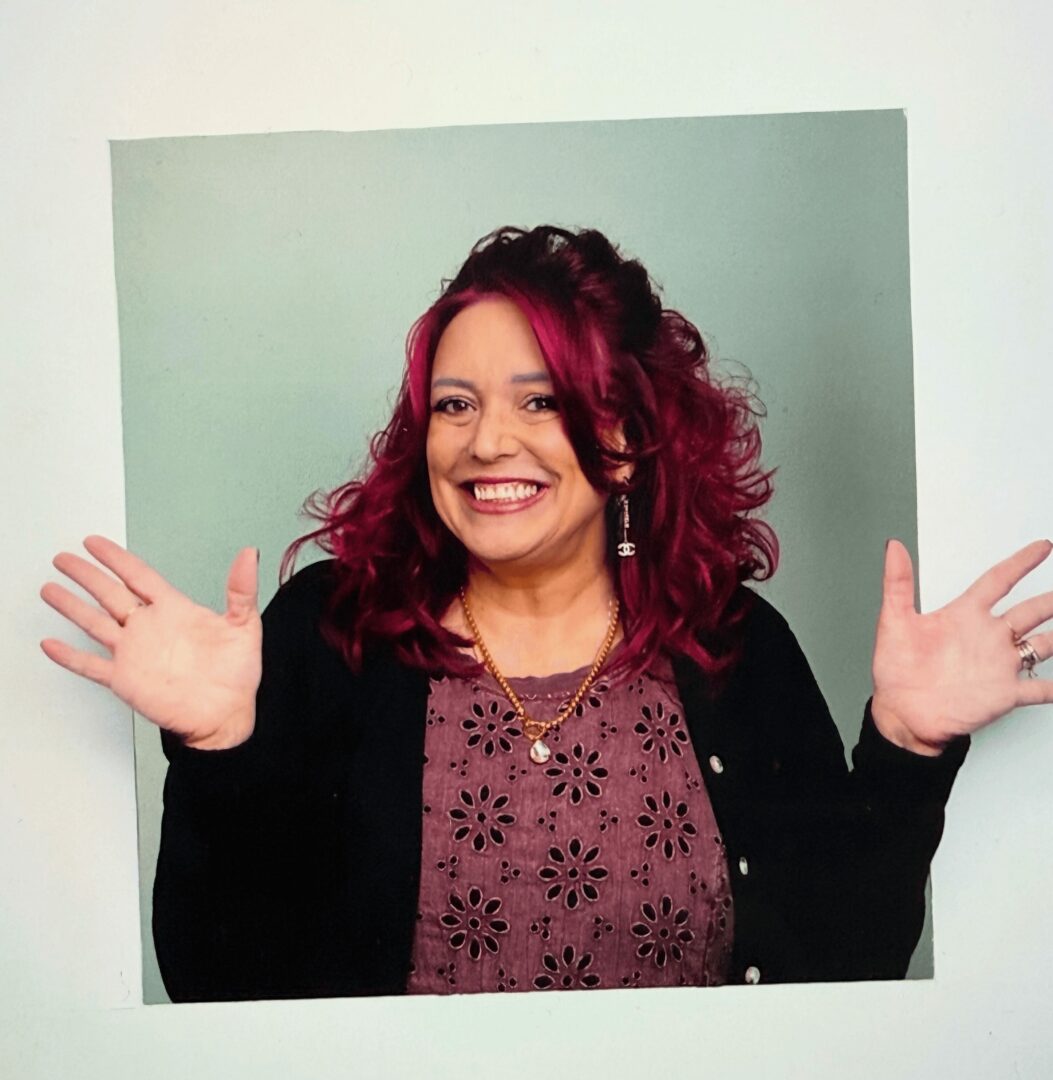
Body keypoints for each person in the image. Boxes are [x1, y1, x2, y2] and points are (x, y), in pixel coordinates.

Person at [40, 225, 1052, 1002]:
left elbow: (844, 970)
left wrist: (907, 747)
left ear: (623, 442)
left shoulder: (732, 644)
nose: (487, 442)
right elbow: (221, 990)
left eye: (539, 401)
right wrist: (217, 755)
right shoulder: (327, 632)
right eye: (454, 404)